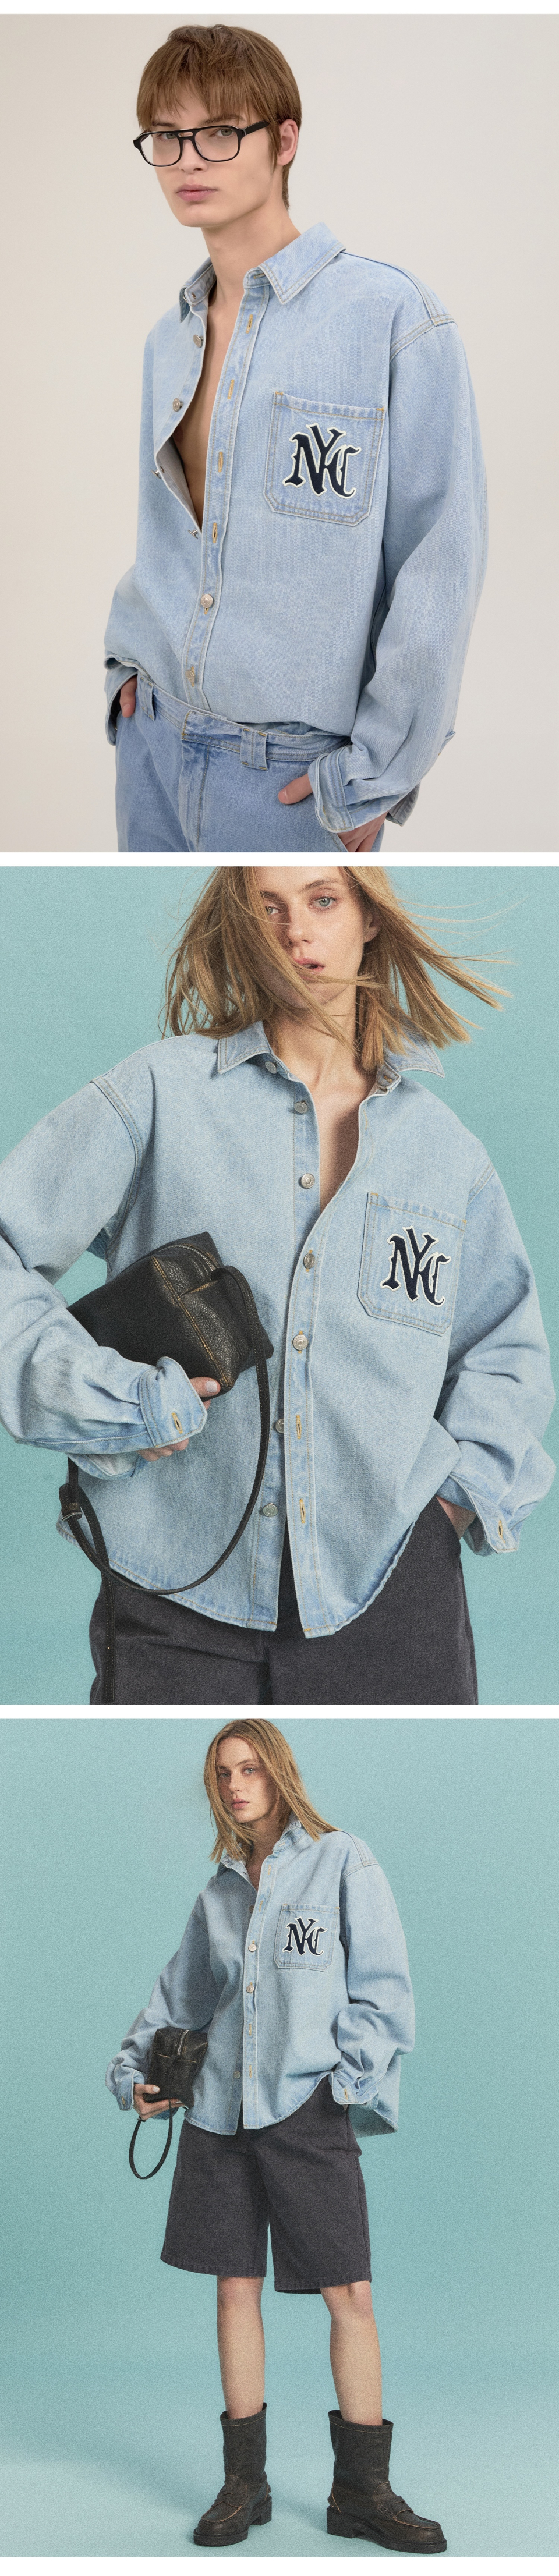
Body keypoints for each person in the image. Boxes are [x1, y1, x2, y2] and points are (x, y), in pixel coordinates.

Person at [0, 864, 554, 1706]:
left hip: (391, 1592)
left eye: (322, 900)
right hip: (174, 1589)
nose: (296, 932)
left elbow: (505, 1347)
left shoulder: (446, 1154)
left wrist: (454, 1505)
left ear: (369, 916)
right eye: (268, 909)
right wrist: (110, 1399)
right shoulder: (161, 1093)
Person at [105, 22, 488, 855]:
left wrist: (377, 774)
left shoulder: (392, 320)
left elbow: (440, 562)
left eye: (218, 132)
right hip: (152, 750)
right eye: (166, 138)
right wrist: (126, 673)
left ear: (285, 141)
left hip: (292, 785)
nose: (189, 161)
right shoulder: (169, 337)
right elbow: (164, 537)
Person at [106, 1719, 447, 2551]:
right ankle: (244, 2485)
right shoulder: (218, 1894)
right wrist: (133, 2077)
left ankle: (362, 2491)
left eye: (250, 1767)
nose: (235, 1784)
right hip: (219, 2115)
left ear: (279, 1772)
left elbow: (385, 1989)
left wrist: (345, 2083)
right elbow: (177, 2000)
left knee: (349, 2293)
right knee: (234, 2289)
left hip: (306, 2108)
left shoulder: (342, 1861)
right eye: (223, 1772)